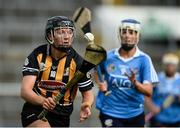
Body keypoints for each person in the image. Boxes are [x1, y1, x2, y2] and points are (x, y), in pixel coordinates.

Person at [20, 16, 94, 127]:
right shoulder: (38, 55)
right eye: (61, 32)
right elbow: (25, 91)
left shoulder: (78, 62)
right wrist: (42, 101)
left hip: (62, 114)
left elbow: (87, 93)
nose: (66, 37)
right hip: (36, 109)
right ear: (50, 35)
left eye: (69, 32)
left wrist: (87, 104)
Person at [94, 19, 159, 127]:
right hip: (110, 112)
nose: (127, 36)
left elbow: (149, 91)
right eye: (124, 32)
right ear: (119, 35)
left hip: (135, 114)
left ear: (137, 36)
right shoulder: (108, 56)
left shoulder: (144, 59)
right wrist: (100, 82)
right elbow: (96, 71)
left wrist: (135, 83)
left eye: (131, 32)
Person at [145, 53, 180, 127]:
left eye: (173, 65)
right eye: (168, 65)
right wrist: (152, 107)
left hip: (176, 119)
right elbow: (146, 95)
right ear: (164, 65)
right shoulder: (156, 78)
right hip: (159, 118)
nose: (170, 67)